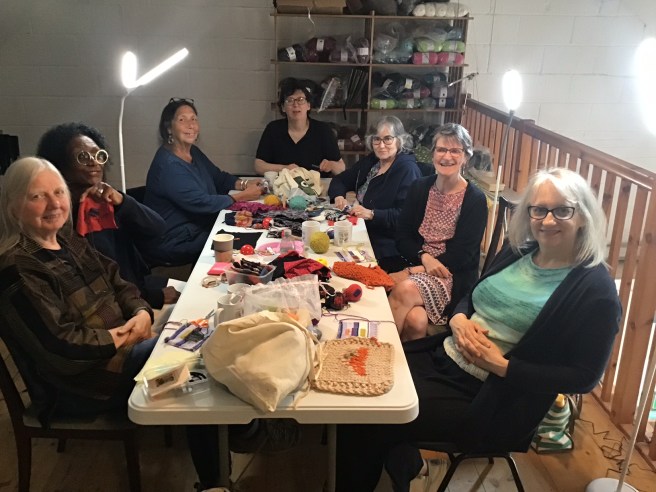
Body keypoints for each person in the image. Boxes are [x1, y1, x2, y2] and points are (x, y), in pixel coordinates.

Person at [336, 167, 622, 492]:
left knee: (368, 414)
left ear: (583, 216)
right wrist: (458, 319)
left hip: (489, 399)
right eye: (538, 209)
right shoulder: (520, 251)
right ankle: (403, 467)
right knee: (357, 383)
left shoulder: (595, 290)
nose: (547, 220)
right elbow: (473, 294)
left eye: (562, 210)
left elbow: (584, 377)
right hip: (443, 358)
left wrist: (503, 366)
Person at [0, 156, 157, 420]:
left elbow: (118, 280)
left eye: (59, 192)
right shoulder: (18, 268)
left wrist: (141, 313)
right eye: (38, 196)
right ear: (14, 207)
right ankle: (238, 433)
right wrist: (126, 336)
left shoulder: (67, 238)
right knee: (183, 351)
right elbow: (61, 350)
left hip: (119, 351)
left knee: (191, 341)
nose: (54, 204)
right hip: (81, 386)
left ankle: (227, 432)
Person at [36, 122, 180, 309]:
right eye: (82, 157)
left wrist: (122, 201)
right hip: (115, 308)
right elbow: (95, 283)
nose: (94, 162)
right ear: (60, 165)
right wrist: (151, 298)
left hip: (136, 290)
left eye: (99, 155)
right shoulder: (59, 217)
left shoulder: (107, 201)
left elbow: (158, 229)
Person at [388, 123, 487, 341]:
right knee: (416, 320)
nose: (447, 156)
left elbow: (463, 256)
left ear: (466, 157)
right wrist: (424, 259)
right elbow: (402, 236)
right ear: (433, 153)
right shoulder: (419, 187)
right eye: (441, 149)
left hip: (451, 275)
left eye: (455, 151)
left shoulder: (475, 200)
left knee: (403, 290)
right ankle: (409, 368)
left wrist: (415, 271)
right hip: (420, 265)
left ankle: (380, 355)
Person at [144, 98, 264, 265]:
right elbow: (201, 203)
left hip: (199, 227)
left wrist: (245, 184)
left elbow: (218, 177)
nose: (190, 125)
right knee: (241, 243)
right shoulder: (168, 165)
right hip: (176, 240)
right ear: (168, 128)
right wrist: (243, 196)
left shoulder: (193, 152)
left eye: (194, 119)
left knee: (251, 228)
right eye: (182, 120)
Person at [328, 116, 421, 271]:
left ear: (400, 140)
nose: (381, 145)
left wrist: (372, 214)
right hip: (363, 232)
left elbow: (406, 218)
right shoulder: (372, 162)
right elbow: (340, 180)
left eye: (388, 139)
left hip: (387, 246)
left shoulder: (407, 170)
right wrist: (338, 196)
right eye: (376, 139)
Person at [254, 78, 345, 176]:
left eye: (301, 100)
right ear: (283, 108)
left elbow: (341, 168)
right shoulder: (273, 129)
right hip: (283, 186)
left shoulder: (323, 130)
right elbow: (258, 166)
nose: (295, 105)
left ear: (308, 105)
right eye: (290, 100)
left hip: (316, 187)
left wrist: (331, 165)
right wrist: (284, 168)